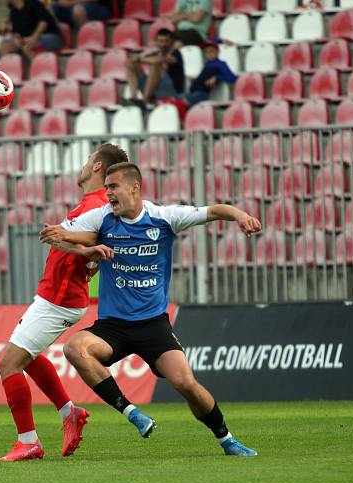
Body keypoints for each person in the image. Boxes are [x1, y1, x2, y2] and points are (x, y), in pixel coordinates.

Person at [39, 162, 261, 456]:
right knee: (75, 348)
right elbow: (68, 236)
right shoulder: (102, 217)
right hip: (112, 326)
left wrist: (242, 216)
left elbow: (214, 211)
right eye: (106, 187)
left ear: (135, 187)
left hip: (153, 324)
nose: (108, 193)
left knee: (186, 383)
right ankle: (132, 413)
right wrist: (59, 234)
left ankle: (227, 439)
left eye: (113, 187)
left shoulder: (163, 217)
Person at [0, 144, 128, 462]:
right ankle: (69, 413)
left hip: (60, 298)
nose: (82, 166)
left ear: (97, 166)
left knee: (8, 364)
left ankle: (28, 442)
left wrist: (83, 251)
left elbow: (95, 246)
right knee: (26, 357)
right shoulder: (91, 204)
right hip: (55, 294)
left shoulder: (96, 206)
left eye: (87, 160)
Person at [127, 29, 184, 105]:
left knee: (156, 65)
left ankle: (145, 101)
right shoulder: (156, 52)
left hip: (171, 91)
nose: (163, 44)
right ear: (156, 42)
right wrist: (136, 59)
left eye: (166, 41)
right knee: (132, 64)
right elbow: (133, 59)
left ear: (172, 41)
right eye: (160, 41)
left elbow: (159, 60)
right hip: (155, 88)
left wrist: (139, 59)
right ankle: (134, 98)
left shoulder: (176, 53)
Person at [181, 41, 237, 108]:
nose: (209, 54)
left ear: (218, 52)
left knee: (181, 102)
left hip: (201, 94)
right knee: (175, 98)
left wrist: (217, 78)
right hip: (193, 92)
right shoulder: (207, 64)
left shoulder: (220, 64)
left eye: (211, 51)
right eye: (207, 52)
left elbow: (232, 77)